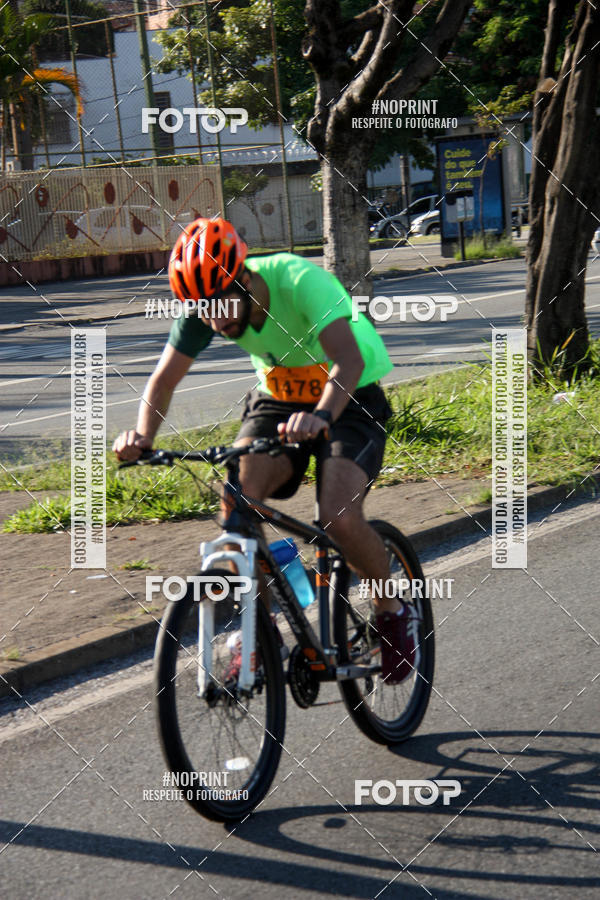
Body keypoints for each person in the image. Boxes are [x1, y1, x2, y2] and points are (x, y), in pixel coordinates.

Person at [113, 217, 416, 683]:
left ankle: (392, 609)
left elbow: (349, 360)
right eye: (202, 309)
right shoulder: (207, 304)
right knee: (238, 498)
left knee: (338, 516)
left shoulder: (299, 281)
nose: (215, 319)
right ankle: (262, 628)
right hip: (279, 398)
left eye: (220, 303)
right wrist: (141, 437)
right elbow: (164, 380)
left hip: (351, 394)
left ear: (245, 277)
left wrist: (322, 417)